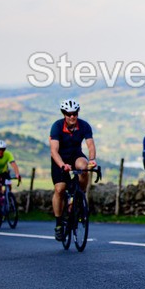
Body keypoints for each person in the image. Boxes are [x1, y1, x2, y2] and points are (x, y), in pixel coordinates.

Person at [49, 99, 97, 241]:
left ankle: (79, 197)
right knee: (60, 189)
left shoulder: (84, 125)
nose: (72, 117)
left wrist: (92, 159)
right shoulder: (57, 126)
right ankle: (58, 223)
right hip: (60, 158)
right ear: (64, 114)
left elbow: (90, 145)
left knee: (84, 167)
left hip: (75, 155)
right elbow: (54, 150)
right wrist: (62, 165)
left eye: (74, 114)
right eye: (69, 114)